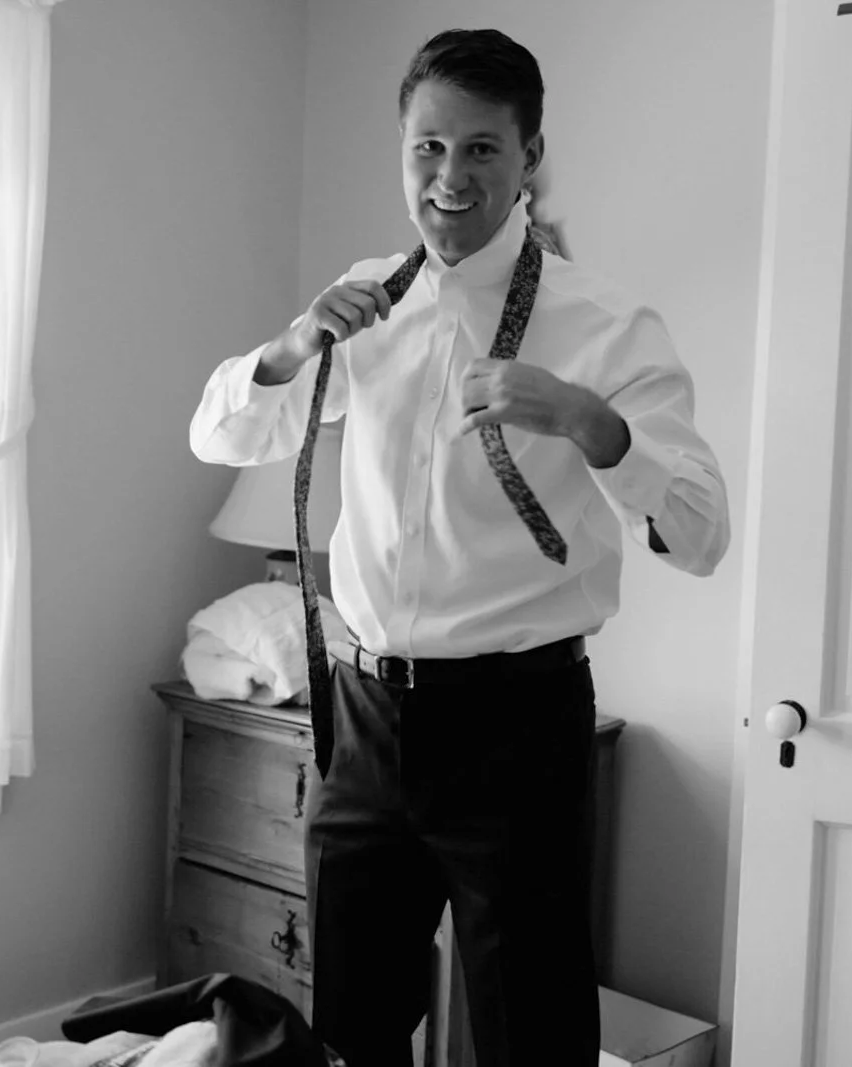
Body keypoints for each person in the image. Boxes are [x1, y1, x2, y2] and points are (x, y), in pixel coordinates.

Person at [189, 28, 729, 1067]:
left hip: (515, 727)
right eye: (426, 148)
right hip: (364, 718)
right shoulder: (362, 303)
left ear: (529, 157)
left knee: (533, 1031)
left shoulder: (606, 326)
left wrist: (588, 422)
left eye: (481, 149)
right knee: (349, 1026)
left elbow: (701, 532)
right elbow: (220, 433)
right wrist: (293, 344)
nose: (449, 177)